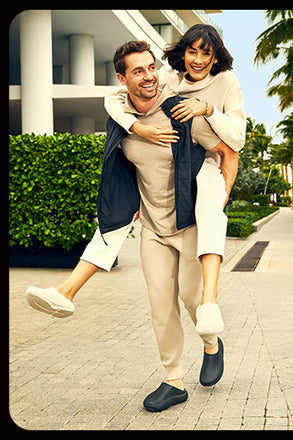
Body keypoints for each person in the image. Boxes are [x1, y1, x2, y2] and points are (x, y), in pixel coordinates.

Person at [28, 40, 230, 413]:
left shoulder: (178, 108)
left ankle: (212, 344)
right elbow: (117, 152)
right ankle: (173, 380)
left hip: (188, 226)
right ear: (122, 79)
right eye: (139, 71)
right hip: (152, 228)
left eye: (151, 67)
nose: (149, 76)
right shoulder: (120, 117)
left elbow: (223, 148)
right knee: (159, 306)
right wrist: (139, 132)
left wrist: (223, 189)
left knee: (191, 299)